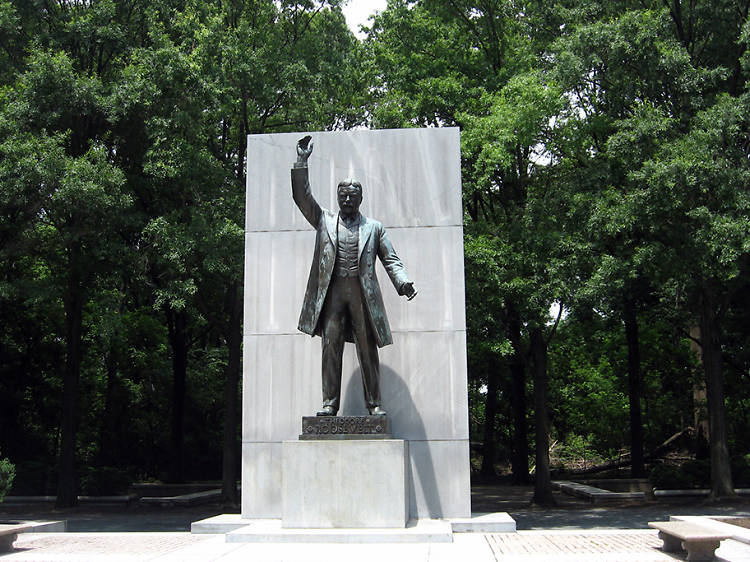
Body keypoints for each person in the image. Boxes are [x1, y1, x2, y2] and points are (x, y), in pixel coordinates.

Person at [291, 136, 416, 417]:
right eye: (343, 195)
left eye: (352, 195)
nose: (347, 199)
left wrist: (402, 281)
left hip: (362, 294)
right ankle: (329, 403)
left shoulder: (374, 227)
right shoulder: (324, 219)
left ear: (361, 198)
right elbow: (302, 197)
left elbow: (391, 258)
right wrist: (301, 162)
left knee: (367, 349)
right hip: (333, 293)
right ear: (337, 198)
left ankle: (374, 404)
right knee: (330, 347)